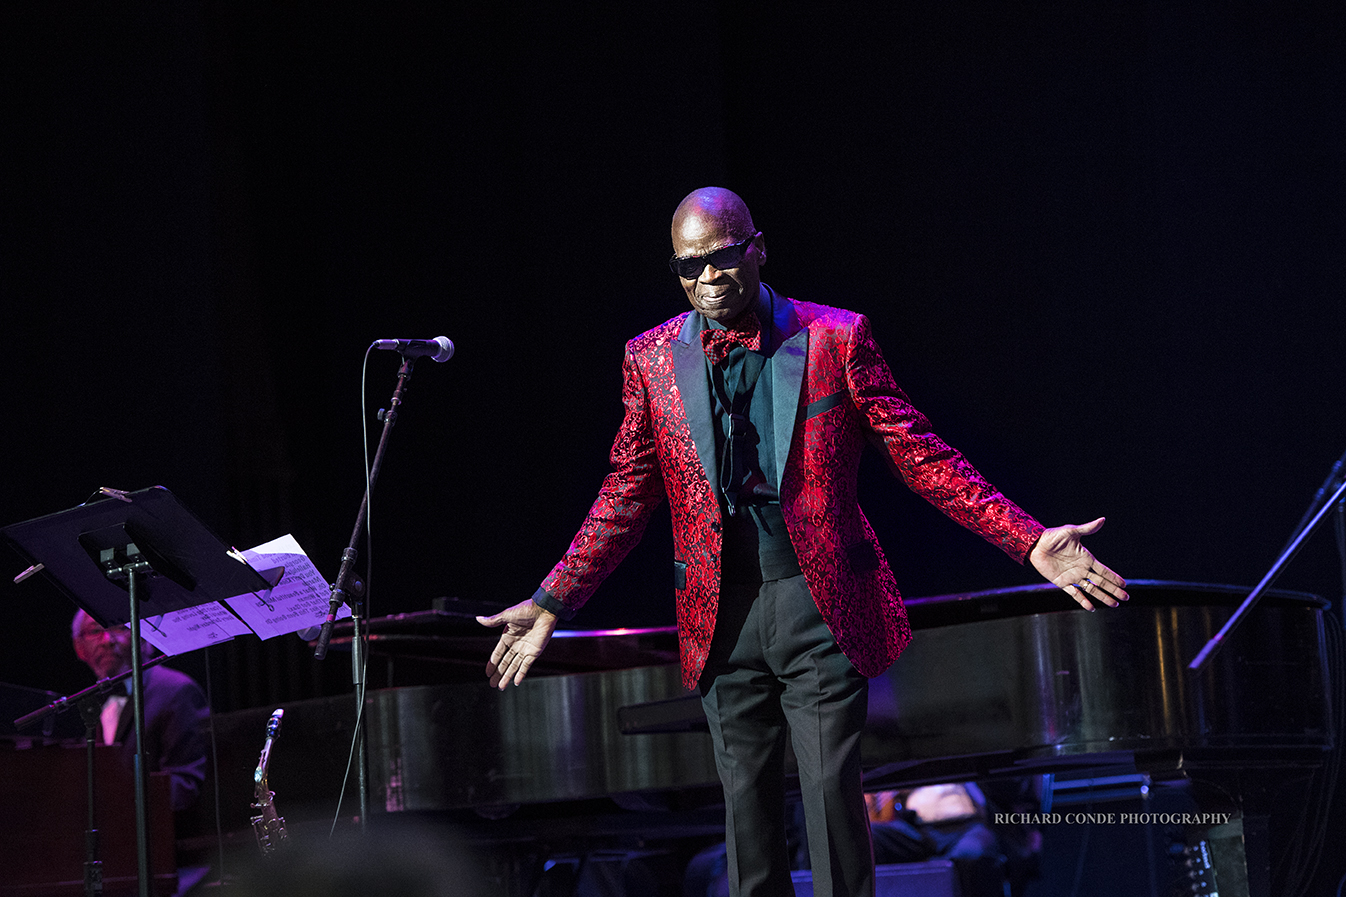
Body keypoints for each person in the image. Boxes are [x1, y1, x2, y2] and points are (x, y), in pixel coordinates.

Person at [478, 187, 1128, 897]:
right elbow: (624, 493)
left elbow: (921, 455)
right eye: (688, 267)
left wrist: (1027, 538)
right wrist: (552, 599)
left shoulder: (835, 338)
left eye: (721, 259)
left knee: (829, 805)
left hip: (817, 604)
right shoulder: (651, 359)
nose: (707, 281)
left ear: (756, 248)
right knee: (747, 831)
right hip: (719, 613)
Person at [72, 609, 211, 893]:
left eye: (119, 627)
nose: (108, 640)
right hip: (112, 864)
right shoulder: (85, 705)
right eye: (95, 630)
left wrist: (118, 808)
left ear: (143, 637)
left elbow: (186, 784)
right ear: (80, 648)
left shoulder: (175, 691)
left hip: (169, 864)